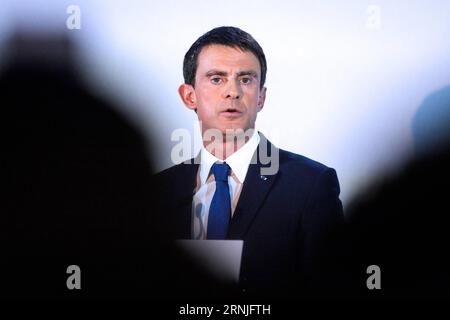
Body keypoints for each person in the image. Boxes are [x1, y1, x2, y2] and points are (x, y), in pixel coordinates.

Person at [154, 26, 346, 299]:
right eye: (217, 79)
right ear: (189, 96)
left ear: (261, 97)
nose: (232, 92)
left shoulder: (311, 185)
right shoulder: (156, 191)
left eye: (245, 80)